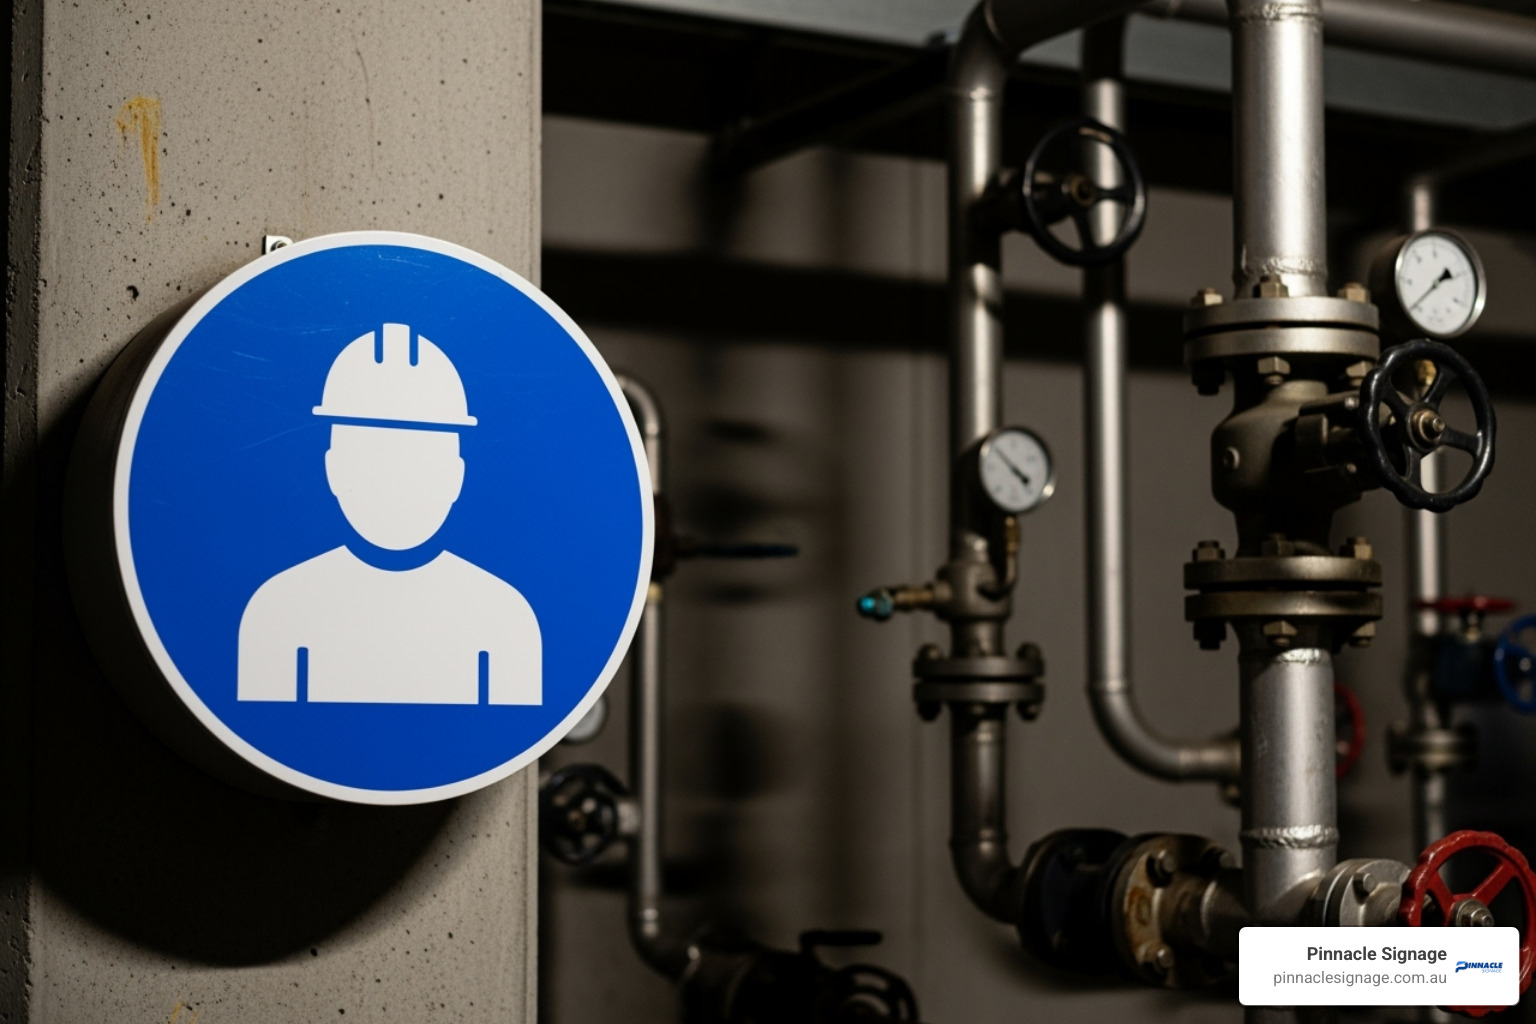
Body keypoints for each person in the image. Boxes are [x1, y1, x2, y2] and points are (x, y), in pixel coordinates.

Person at [237, 323, 541, 705]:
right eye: (373, 455)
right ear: (332, 468)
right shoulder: (278, 612)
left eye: (422, 457)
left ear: (457, 475)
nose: (397, 477)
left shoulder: (505, 620)